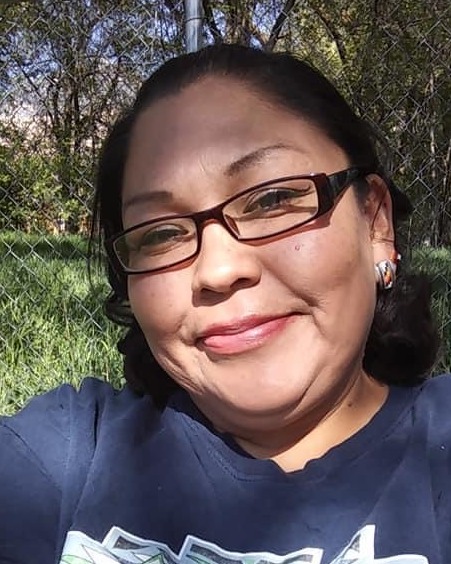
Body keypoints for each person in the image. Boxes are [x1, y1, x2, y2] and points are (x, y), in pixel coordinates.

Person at [0, 43, 446, 564]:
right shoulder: (65, 455)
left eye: (272, 199)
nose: (217, 269)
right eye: (160, 233)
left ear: (375, 224)